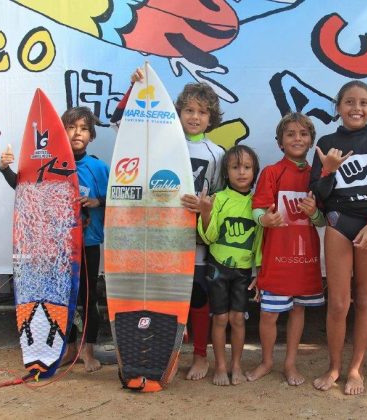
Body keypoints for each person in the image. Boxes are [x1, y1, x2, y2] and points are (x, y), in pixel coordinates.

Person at [125, 69, 226, 381]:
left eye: (202, 112)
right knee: (162, 293)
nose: (194, 117)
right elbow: (126, 129)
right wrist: (134, 89)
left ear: (211, 118)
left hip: (194, 237)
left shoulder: (216, 152)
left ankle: (200, 356)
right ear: (178, 112)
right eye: (189, 110)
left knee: (196, 294)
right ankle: (165, 352)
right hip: (160, 234)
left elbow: (221, 197)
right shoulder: (160, 143)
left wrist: (205, 206)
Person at [0, 106, 109, 373]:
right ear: (60, 133)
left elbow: (116, 200)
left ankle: (88, 350)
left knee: (88, 296)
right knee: (60, 296)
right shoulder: (45, 164)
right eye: (71, 127)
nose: (77, 133)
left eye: (83, 128)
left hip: (88, 244)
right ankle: (69, 346)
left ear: (91, 136)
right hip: (57, 247)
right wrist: (5, 168)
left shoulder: (97, 167)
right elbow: (24, 188)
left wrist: (95, 201)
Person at [309, 81, 367, 395]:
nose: (356, 108)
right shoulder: (327, 141)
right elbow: (319, 197)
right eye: (349, 102)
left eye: (363, 103)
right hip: (338, 223)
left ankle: (355, 369)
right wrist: (328, 170)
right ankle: (334, 366)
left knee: (365, 297)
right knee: (337, 302)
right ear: (338, 107)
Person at [245, 112, 325, 386]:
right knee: (268, 313)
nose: (297, 138)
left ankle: (290, 364)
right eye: (290, 134)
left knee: (298, 311)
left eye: (303, 134)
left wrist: (314, 214)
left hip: (306, 259)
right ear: (280, 142)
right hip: (276, 258)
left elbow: (324, 220)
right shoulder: (271, 172)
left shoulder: (319, 175)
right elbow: (257, 209)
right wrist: (264, 219)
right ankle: (266, 362)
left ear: (311, 141)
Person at [196, 145, 262, 386]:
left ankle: (236, 365)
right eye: (235, 167)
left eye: (246, 167)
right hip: (217, 269)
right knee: (220, 319)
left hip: (243, 272)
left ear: (255, 171)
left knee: (238, 319)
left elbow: (261, 242)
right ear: (226, 171)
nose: (241, 172)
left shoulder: (258, 202)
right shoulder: (219, 199)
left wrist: (260, 271)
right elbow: (209, 237)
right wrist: (205, 213)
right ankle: (220, 366)